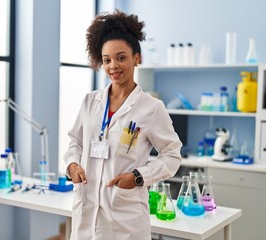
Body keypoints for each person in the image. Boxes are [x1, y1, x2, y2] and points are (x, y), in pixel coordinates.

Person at [64, 9, 182, 240]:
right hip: (86, 215)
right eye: (107, 60)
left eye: (121, 57)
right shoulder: (90, 101)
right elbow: (75, 142)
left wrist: (139, 176)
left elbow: (172, 155)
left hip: (125, 222)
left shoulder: (151, 108)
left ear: (136, 58)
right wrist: (72, 166)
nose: (113, 66)